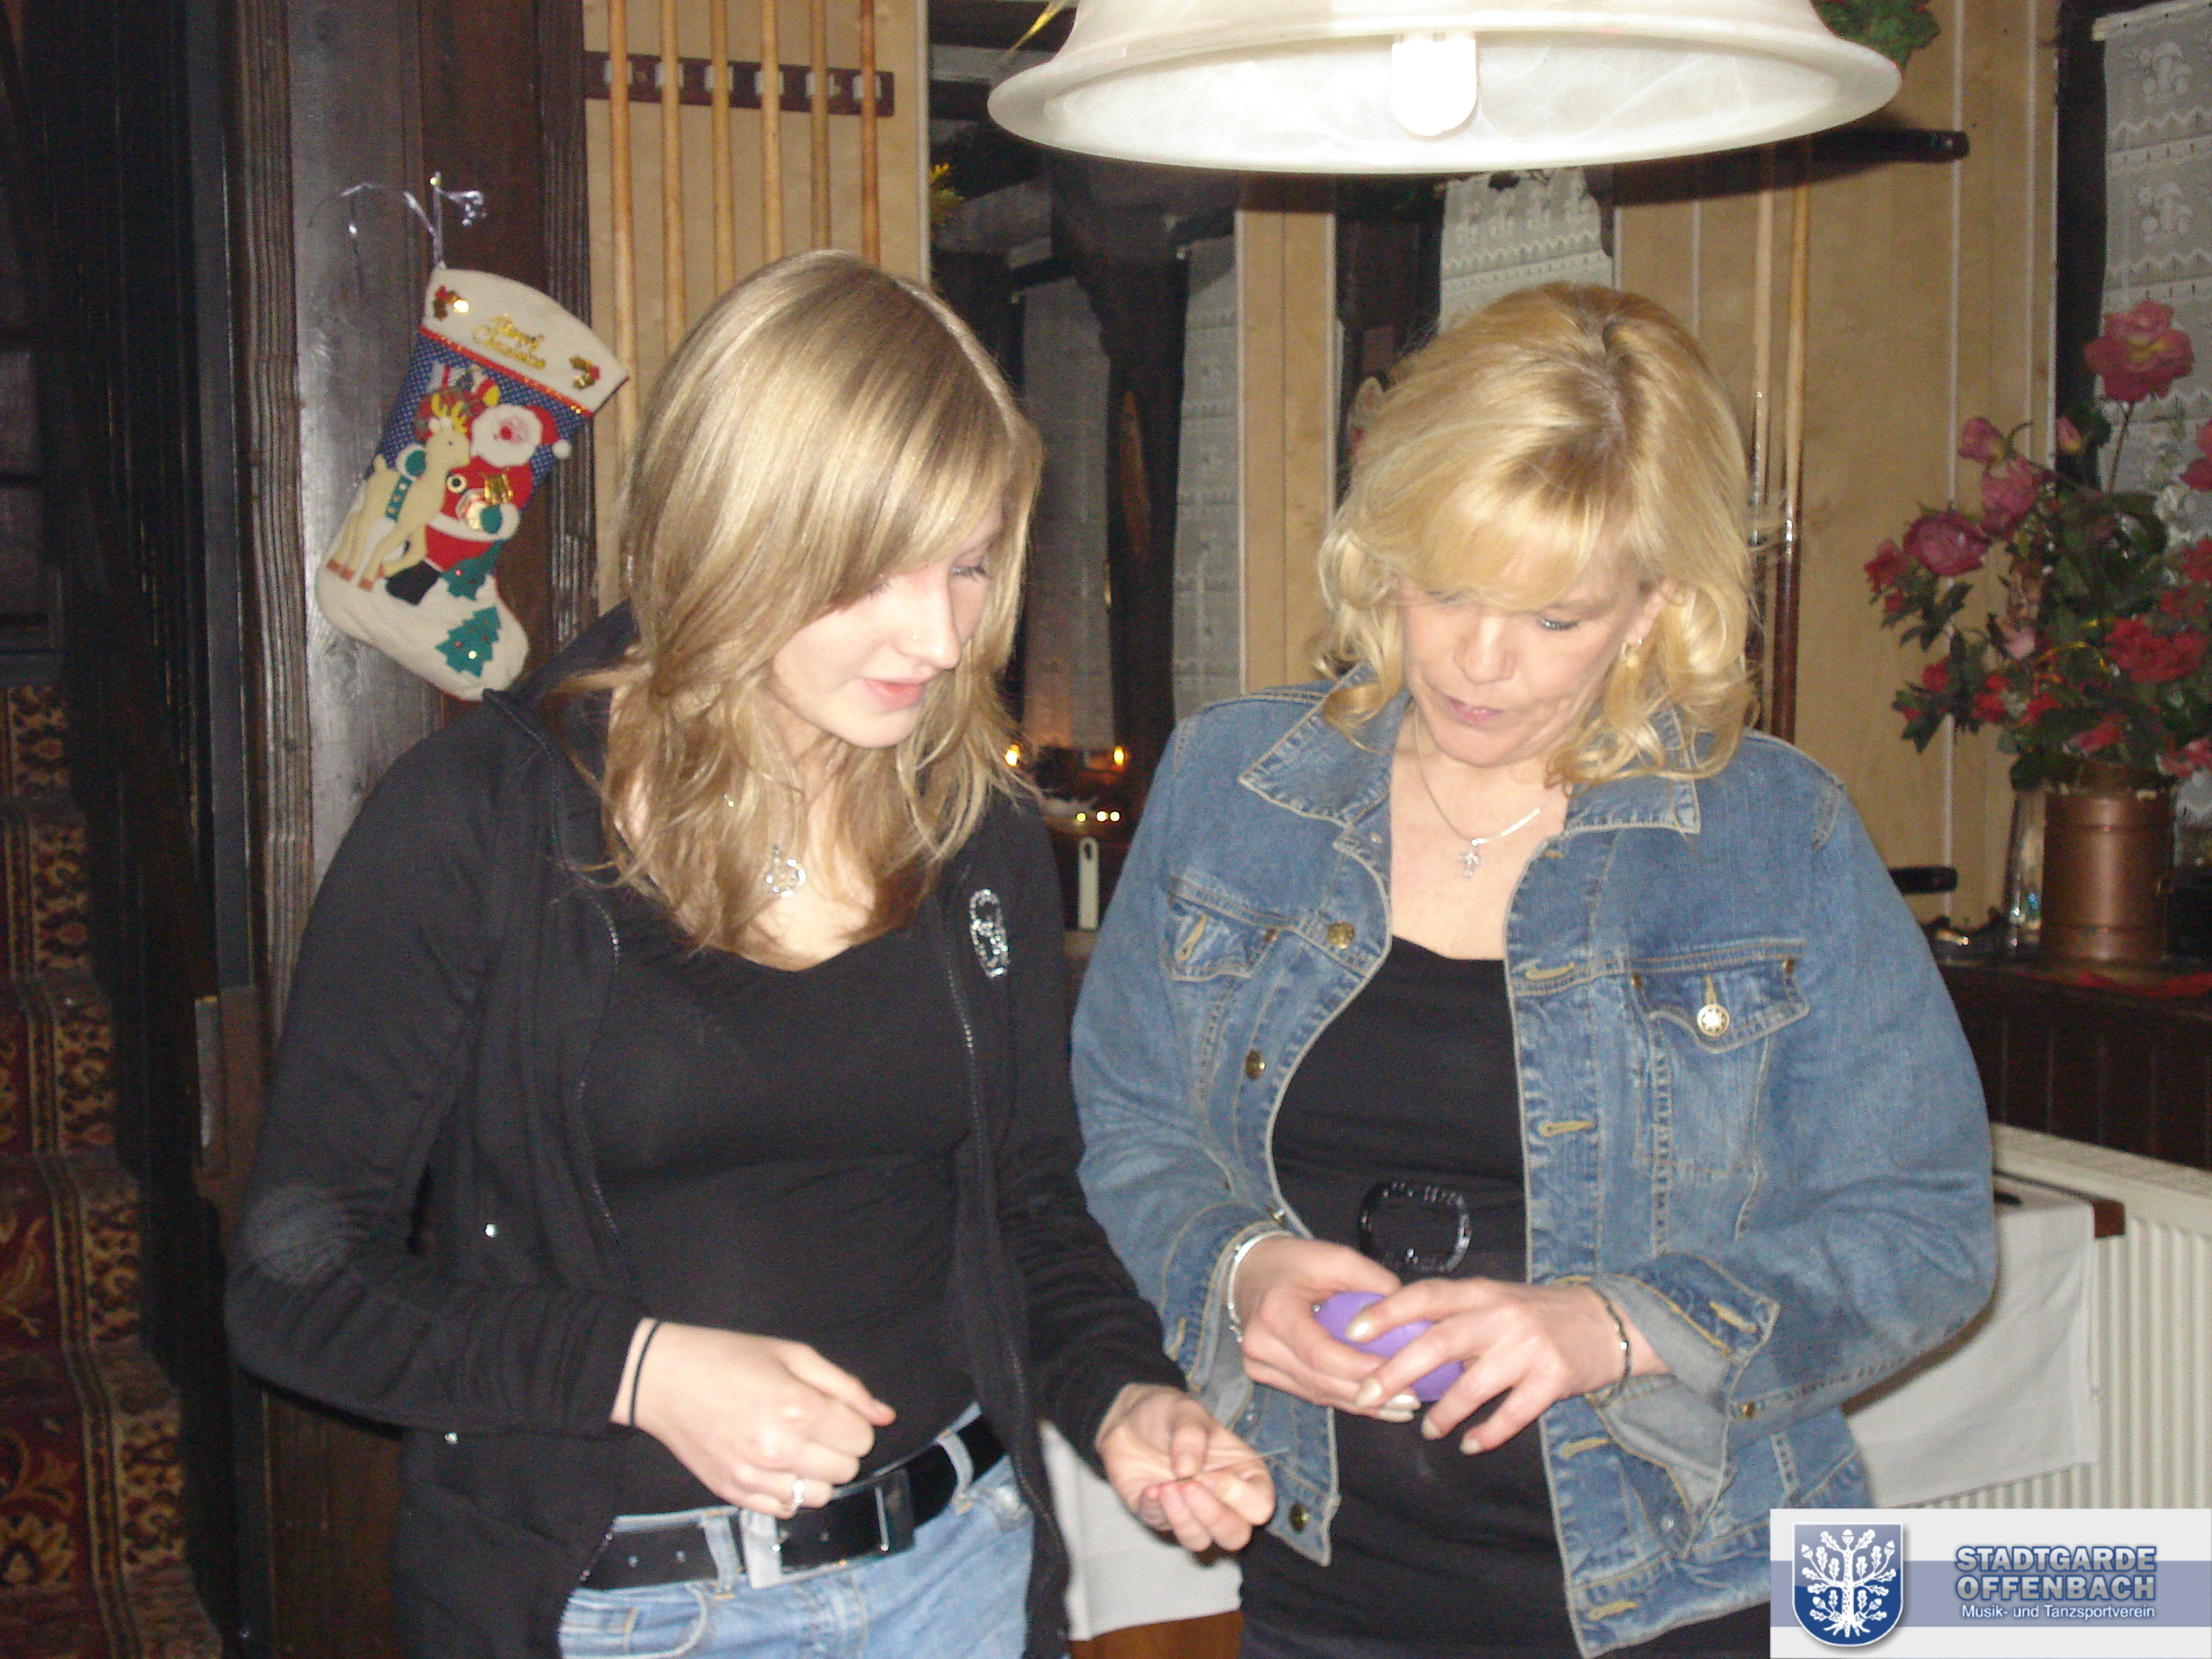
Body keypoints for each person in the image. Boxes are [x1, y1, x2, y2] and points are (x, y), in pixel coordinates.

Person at [226, 250, 1272, 1659]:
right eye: (875, 573)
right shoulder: (479, 823)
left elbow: (1028, 1206)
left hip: (958, 1572)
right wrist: (638, 1370)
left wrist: (1124, 1392)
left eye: (969, 566)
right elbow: (295, 1292)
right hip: (626, 1610)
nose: (941, 634)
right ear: (733, 533)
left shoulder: (974, 827)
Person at [1071, 284, 1995, 1659]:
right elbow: (1127, 1133)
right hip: (1328, 1587)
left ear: (1655, 607)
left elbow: (1926, 1235)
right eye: (1448, 587)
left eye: (1557, 617)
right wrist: (1243, 1269)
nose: (1481, 663)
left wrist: (1612, 1328)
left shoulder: (1772, 832)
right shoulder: (1234, 787)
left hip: (1694, 1591)